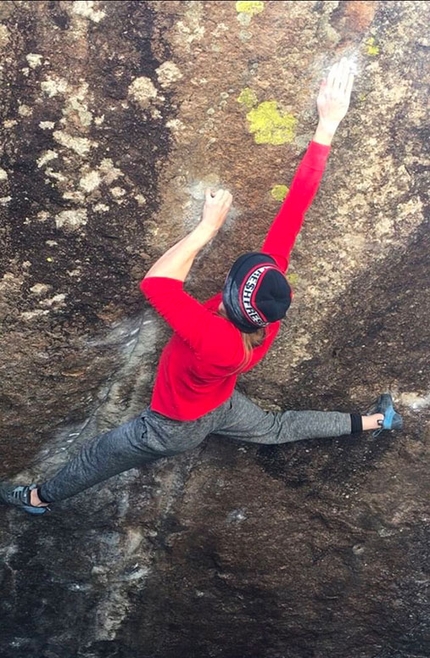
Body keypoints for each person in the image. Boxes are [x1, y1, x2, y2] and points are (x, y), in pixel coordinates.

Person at [0, 58, 402, 516]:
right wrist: (327, 125)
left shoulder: (215, 338)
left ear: (230, 301)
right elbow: (295, 211)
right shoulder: (265, 312)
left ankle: (38, 498)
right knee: (274, 428)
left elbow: (156, 283)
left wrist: (206, 229)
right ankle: (376, 421)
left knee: (100, 456)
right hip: (221, 403)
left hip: (171, 425)